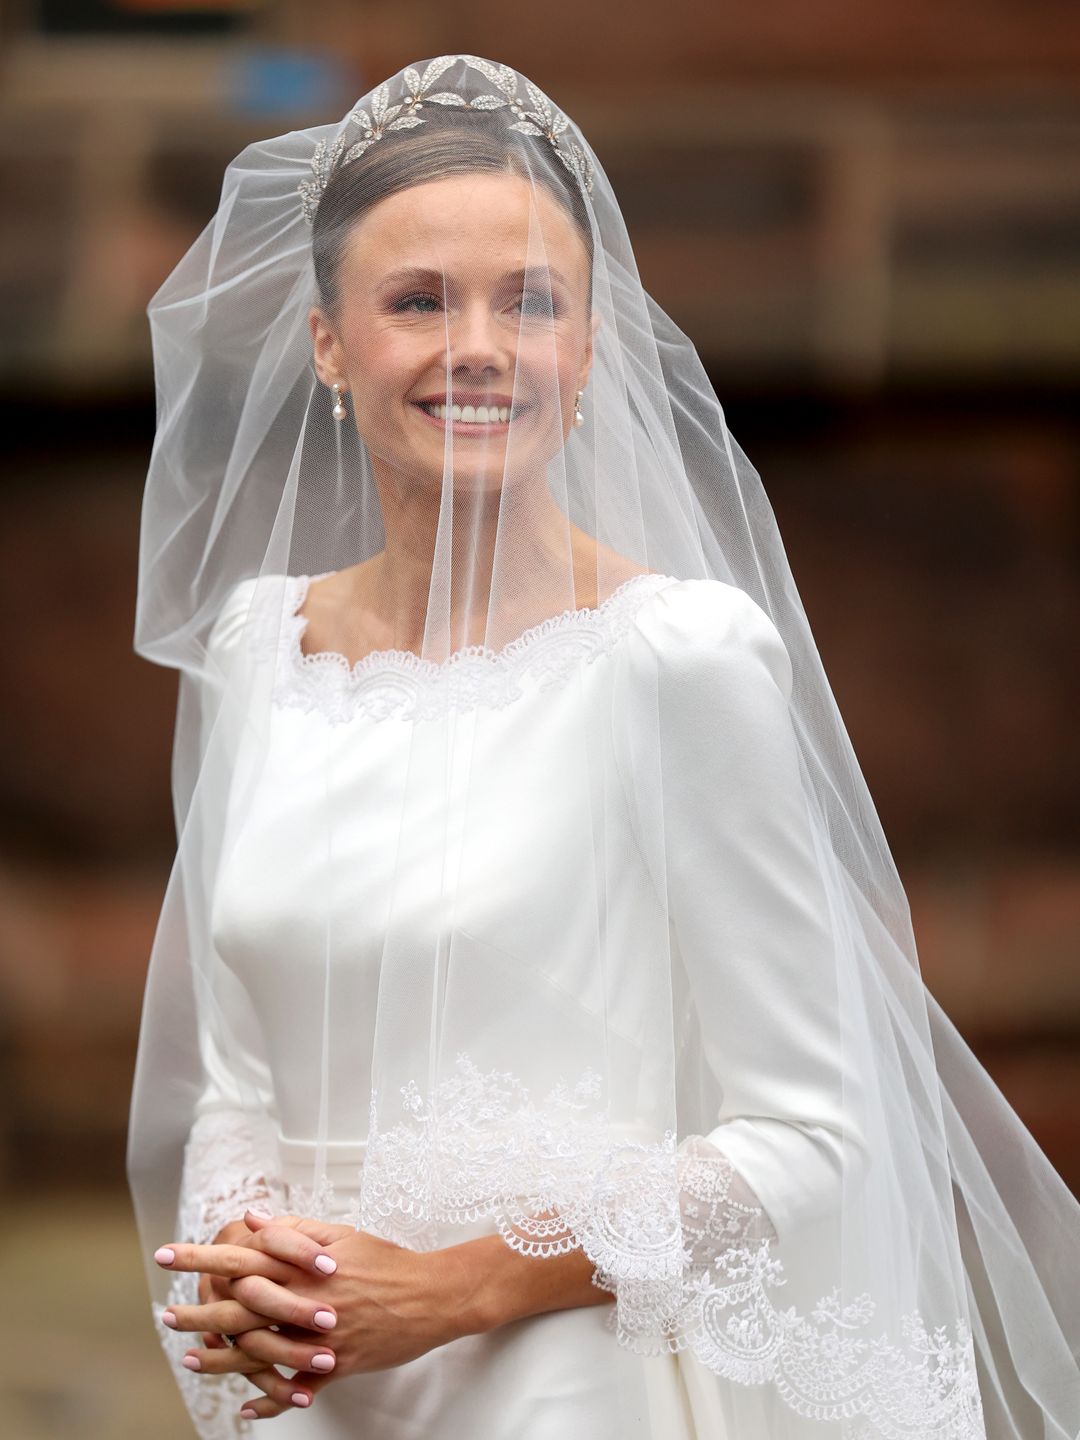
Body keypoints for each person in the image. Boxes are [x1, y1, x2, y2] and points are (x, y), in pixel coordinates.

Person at [129, 56, 1080, 1439]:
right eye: (417, 301)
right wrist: (259, 1273)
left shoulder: (676, 662)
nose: (480, 347)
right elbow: (237, 1078)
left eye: (531, 301)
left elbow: (815, 1140)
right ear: (329, 342)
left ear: (588, 346)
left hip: (569, 1384)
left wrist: (454, 1290)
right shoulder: (254, 653)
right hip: (319, 1390)